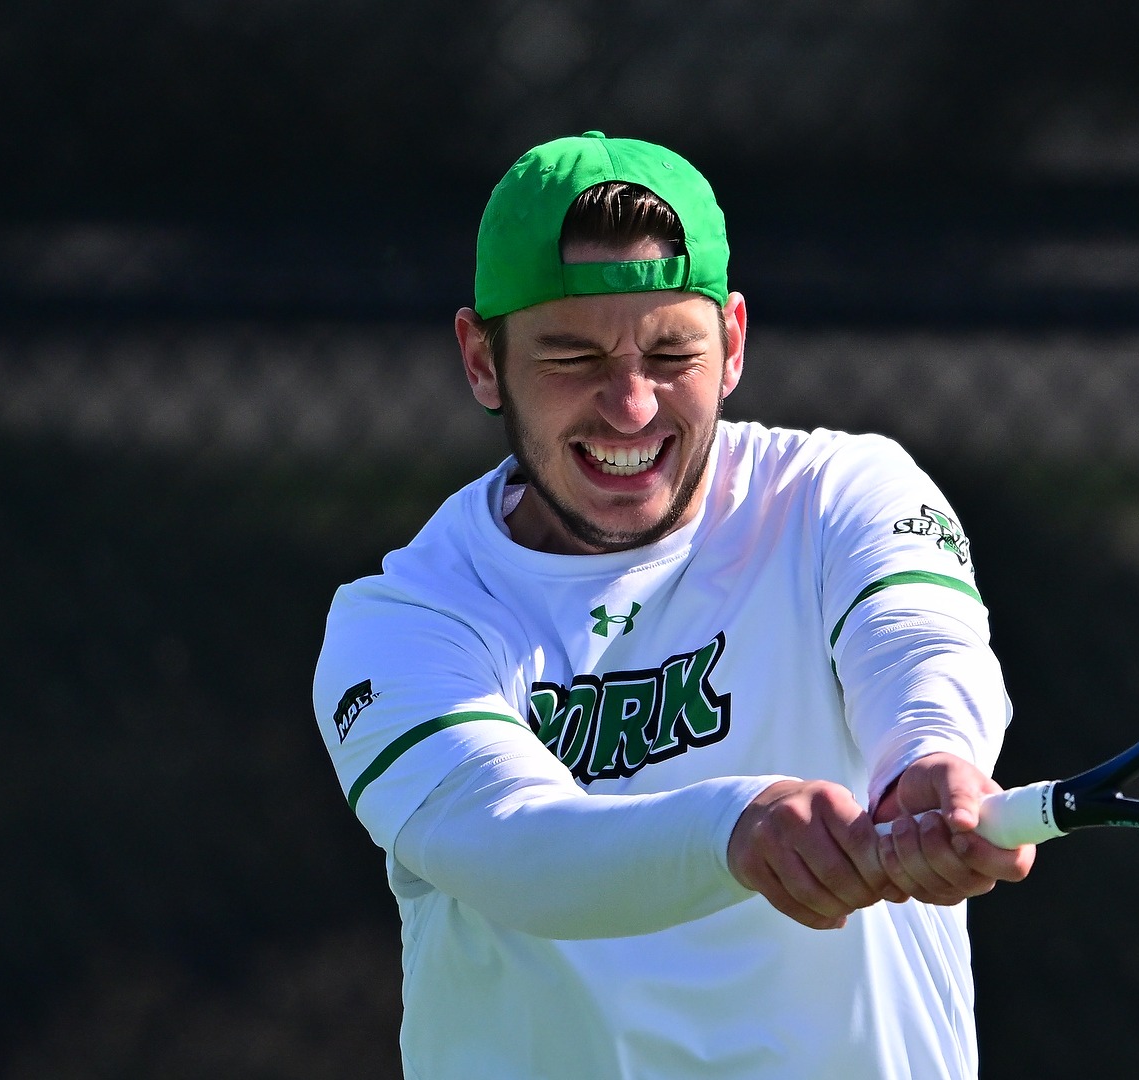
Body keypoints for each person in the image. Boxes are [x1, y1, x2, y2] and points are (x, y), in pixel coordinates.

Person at [312, 131, 1034, 1078]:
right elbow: (514, 841)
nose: (632, 408)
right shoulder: (404, 625)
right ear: (482, 361)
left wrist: (931, 754)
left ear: (733, 344)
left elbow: (919, 646)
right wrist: (741, 828)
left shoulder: (844, 493)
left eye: (670, 353)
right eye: (572, 357)